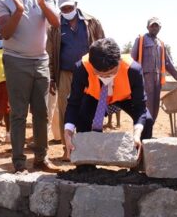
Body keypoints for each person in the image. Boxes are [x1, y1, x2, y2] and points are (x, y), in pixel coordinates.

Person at [0, 0, 60, 173]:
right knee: (19, 114)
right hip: (16, 61)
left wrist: (41, 4)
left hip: (41, 61)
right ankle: (19, 162)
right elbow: (5, 33)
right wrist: (18, 10)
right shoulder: (3, 0)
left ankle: (41, 158)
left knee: (41, 113)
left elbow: (56, 23)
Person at [64, 38, 153, 166]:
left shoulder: (133, 69)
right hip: (94, 96)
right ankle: (85, 165)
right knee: (82, 117)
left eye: (111, 73)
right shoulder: (81, 67)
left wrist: (137, 133)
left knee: (147, 121)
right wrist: (68, 131)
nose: (106, 78)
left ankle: (140, 163)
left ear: (119, 62)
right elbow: (74, 102)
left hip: (124, 97)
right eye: (100, 74)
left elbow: (140, 106)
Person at [47, 0, 105, 161]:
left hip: (89, 73)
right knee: (66, 109)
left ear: (76, 5)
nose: (67, 10)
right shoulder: (55, 26)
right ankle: (68, 149)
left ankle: (88, 147)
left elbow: (102, 45)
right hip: (65, 73)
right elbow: (50, 54)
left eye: (69, 7)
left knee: (88, 108)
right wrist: (51, 78)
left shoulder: (92, 22)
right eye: (63, 8)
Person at [131, 17, 177, 121]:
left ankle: (149, 131)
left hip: (158, 79)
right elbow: (132, 59)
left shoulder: (161, 43)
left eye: (157, 26)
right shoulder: (141, 39)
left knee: (155, 106)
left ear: (160, 28)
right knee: (147, 104)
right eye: (152, 25)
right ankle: (143, 131)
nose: (154, 27)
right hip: (144, 78)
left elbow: (168, 63)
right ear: (147, 27)